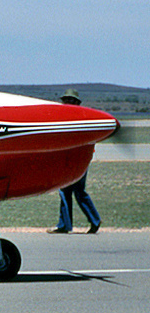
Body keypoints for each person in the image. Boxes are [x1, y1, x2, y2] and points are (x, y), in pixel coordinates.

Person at [48, 89, 102, 234]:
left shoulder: (75, 119)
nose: (66, 103)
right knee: (77, 191)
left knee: (66, 191)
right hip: (76, 160)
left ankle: (65, 225)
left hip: (74, 160)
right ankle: (94, 220)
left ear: (76, 103)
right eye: (65, 100)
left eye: (69, 100)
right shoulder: (83, 117)